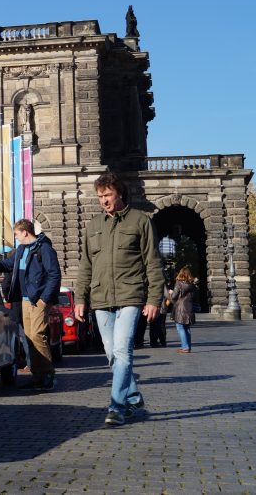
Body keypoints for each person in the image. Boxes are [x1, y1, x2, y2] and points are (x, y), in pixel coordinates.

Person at [75, 172, 164, 427]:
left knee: (123, 350)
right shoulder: (94, 225)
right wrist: (80, 298)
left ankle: (117, 407)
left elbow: (153, 263)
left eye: (108, 195)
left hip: (130, 295)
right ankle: (133, 396)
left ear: (120, 193)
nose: (103, 200)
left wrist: (154, 299)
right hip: (100, 298)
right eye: (100, 196)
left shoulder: (140, 221)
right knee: (111, 354)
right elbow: (85, 265)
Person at [0, 218, 61, 391]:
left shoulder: (44, 249)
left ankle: (48, 374)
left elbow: (54, 275)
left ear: (25, 232)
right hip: (25, 300)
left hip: (39, 299)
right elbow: (8, 265)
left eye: (17, 234)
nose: (16, 237)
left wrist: (44, 299)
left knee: (37, 335)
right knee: (29, 337)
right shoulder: (21, 249)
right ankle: (37, 376)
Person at [168, 266, 197, 353]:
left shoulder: (179, 283)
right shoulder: (192, 285)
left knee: (180, 327)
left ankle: (185, 347)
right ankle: (188, 347)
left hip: (180, 308)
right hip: (189, 308)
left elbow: (174, 297)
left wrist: (171, 293)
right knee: (187, 328)